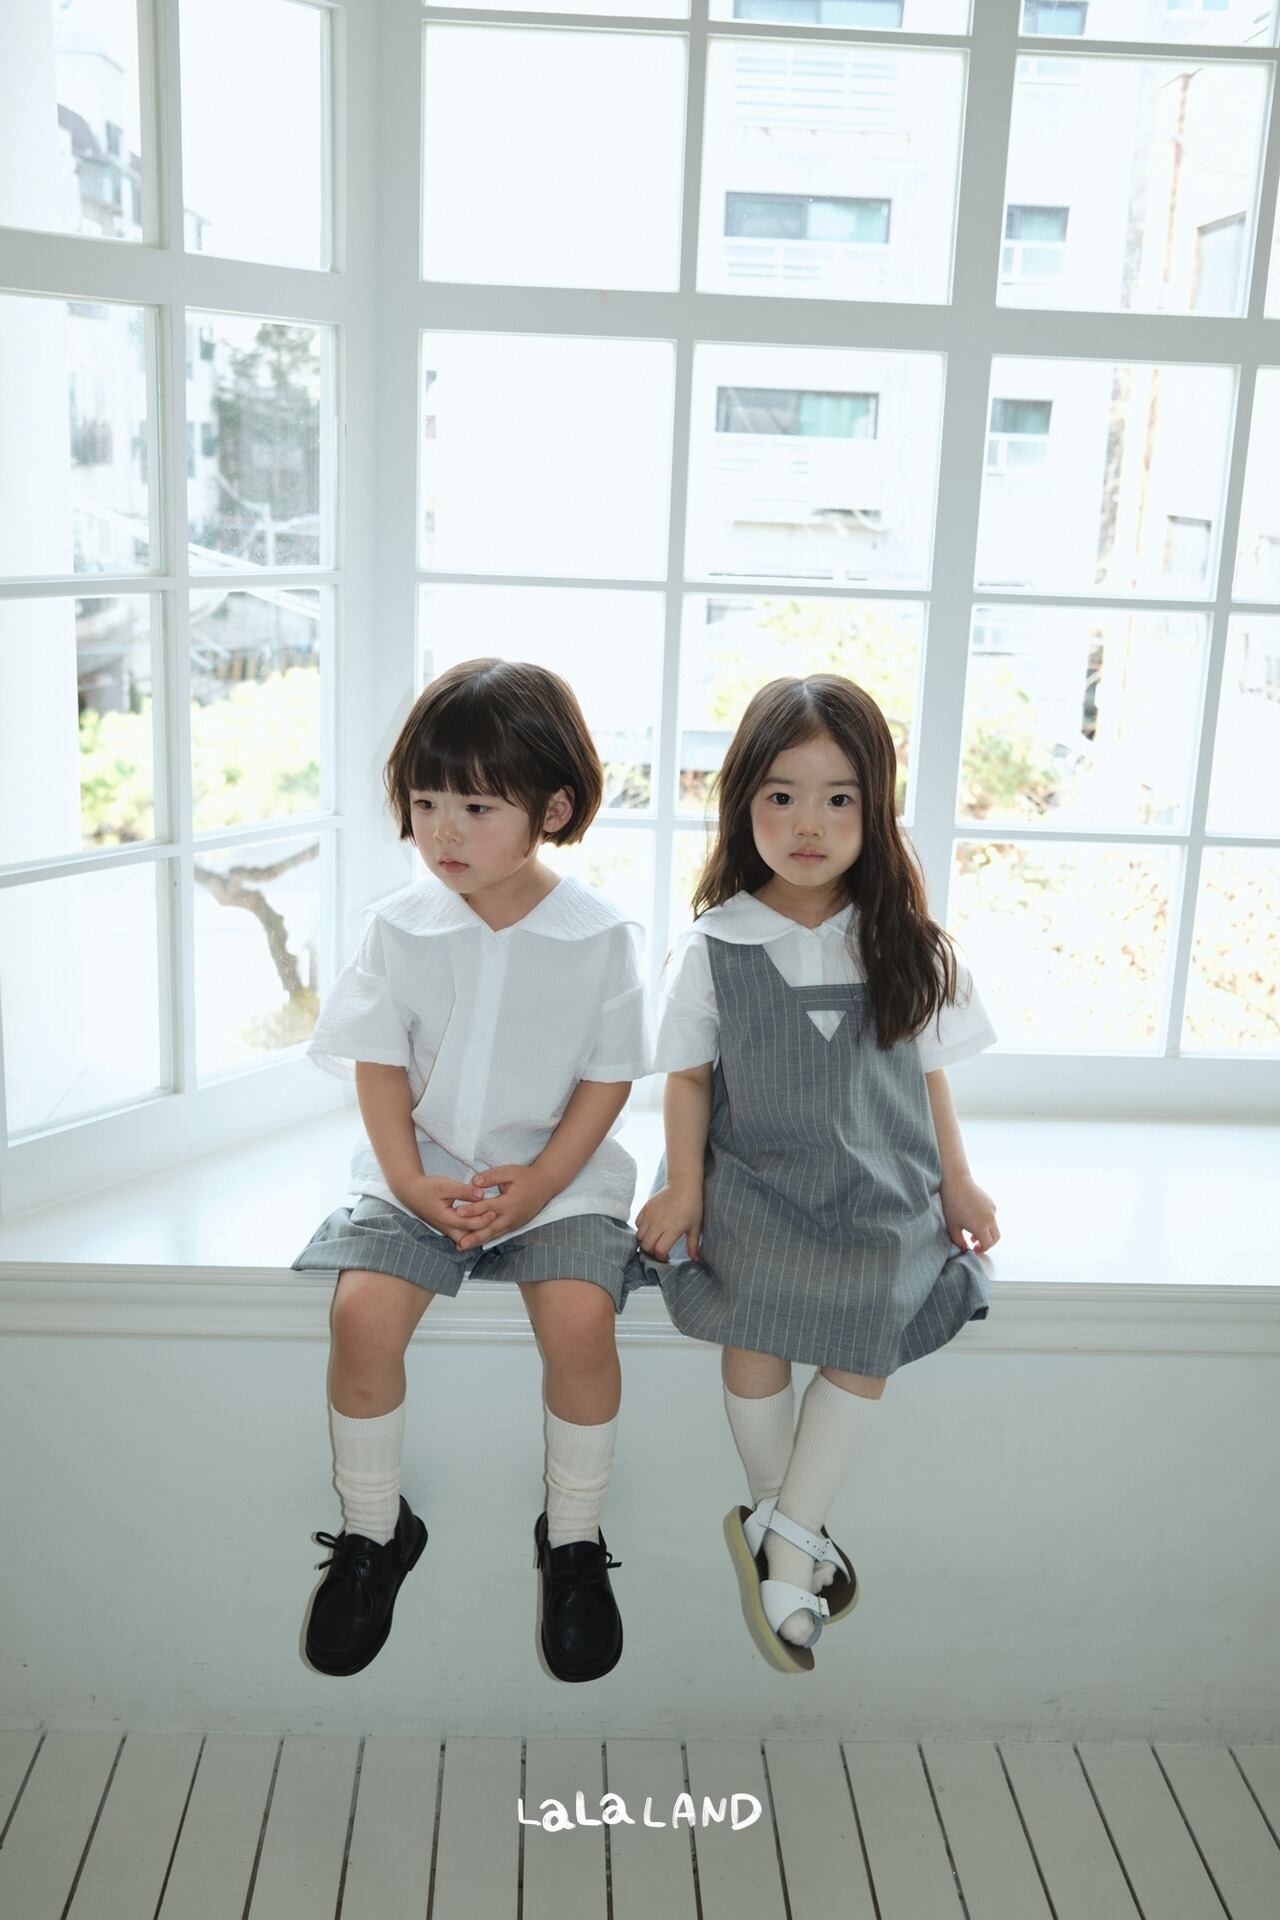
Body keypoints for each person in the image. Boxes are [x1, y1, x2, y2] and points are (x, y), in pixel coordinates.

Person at [292, 657, 650, 1685]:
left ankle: (572, 1538)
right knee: (362, 1315)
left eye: (476, 807)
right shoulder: (399, 925)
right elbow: (377, 1064)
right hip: (422, 1168)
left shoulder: (599, 938)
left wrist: (541, 1184)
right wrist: (409, 1182)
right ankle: (374, 1529)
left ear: (553, 809)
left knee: (579, 1321)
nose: (442, 830)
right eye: (425, 802)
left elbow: (607, 1080)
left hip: (559, 1176)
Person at [633, 674, 1000, 1674]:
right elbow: (687, 1079)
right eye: (781, 796)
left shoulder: (907, 944)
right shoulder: (714, 946)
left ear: (874, 809)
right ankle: (784, 1527)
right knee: (751, 1320)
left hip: (881, 1187)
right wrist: (682, 1185)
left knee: (868, 1322)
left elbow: (928, 1078)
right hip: (754, 1179)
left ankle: (784, 1536)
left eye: (838, 798)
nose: (808, 824)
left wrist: (957, 1182)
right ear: (741, 802)